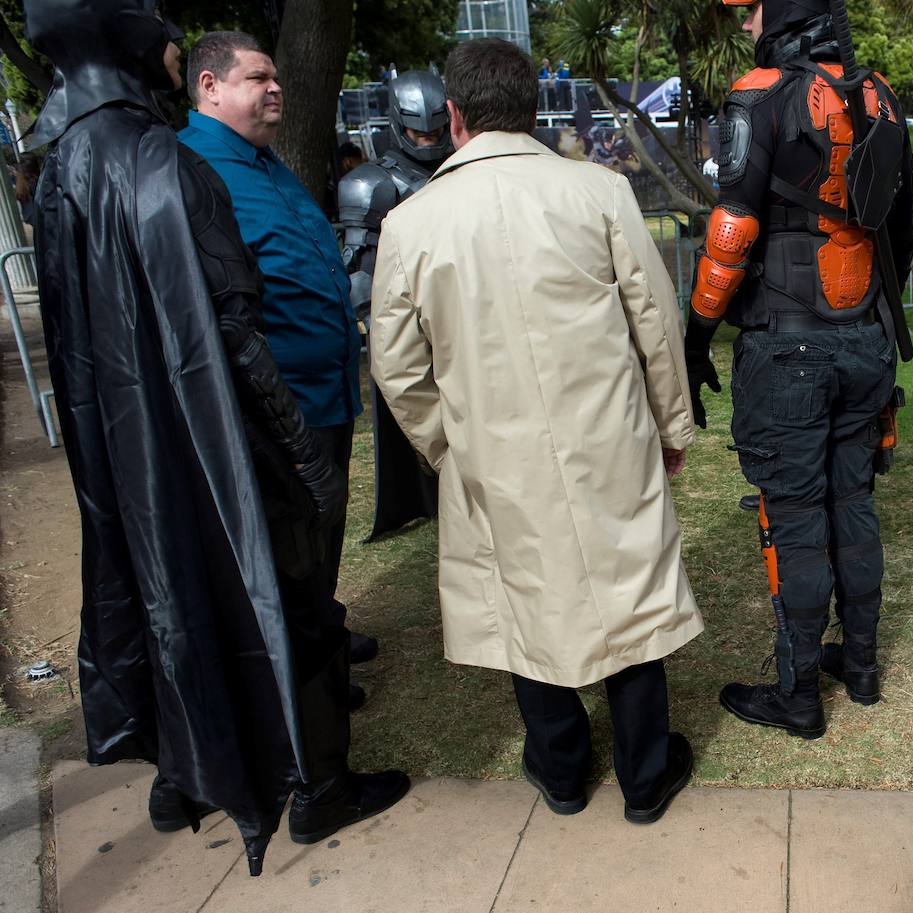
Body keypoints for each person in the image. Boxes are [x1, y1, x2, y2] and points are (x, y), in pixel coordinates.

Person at [26, 0, 406, 875]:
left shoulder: (81, 163)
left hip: (180, 437)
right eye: (257, 76)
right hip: (248, 433)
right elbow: (228, 334)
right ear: (193, 79)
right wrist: (296, 447)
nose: (276, 87)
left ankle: (187, 774)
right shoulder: (174, 164)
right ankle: (317, 785)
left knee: (237, 594)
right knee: (286, 601)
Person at [370, 38, 703, 824]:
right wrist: (670, 423)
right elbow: (655, 321)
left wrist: (446, 444)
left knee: (525, 594)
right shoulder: (598, 191)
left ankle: (560, 769)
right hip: (607, 437)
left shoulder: (411, 222)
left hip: (495, 448)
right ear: (531, 110)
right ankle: (643, 775)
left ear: (454, 116)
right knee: (628, 590)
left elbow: (395, 364)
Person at [684, 0, 913, 739]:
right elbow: (902, 228)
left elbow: (733, 228)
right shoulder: (881, 95)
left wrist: (696, 337)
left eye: (751, 10)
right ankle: (865, 666)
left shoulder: (759, 94)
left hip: (787, 347)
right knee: (852, 504)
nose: (746, 24)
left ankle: (798, 694)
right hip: (864, 340)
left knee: (793, 518)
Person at [179, 32, 380, 688]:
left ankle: (322, 625)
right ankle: (307, 673)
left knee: (320, 536)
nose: (276, 88)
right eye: (257, 78)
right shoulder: (194, 167)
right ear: (209, 86)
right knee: (290, 547)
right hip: (278, 405)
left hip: (326, 393)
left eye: (276, 78)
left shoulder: (265, 162)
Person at [338, 71, 451, 540]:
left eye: (434, 130)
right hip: (407, 318)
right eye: (416, 131)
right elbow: (360, 268)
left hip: (463, 311)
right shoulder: (370, 184)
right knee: (418, 412)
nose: (427, 140)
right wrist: (379, 330)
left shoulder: (464, 164)